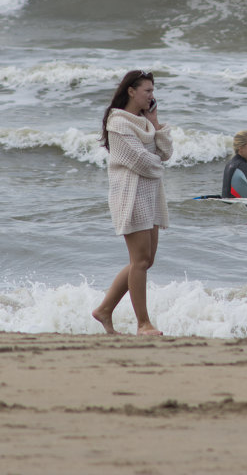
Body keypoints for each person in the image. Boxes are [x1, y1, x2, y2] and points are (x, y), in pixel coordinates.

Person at [91, 70, 171, 336]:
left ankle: (104, 310)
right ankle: (143, 324)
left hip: (151, 196)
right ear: (131, 91)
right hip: (131, 196)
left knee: (146, 260)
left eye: (152, 91)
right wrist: (156, 161)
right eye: (147, 91)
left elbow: (165, 153)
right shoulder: (118, 123)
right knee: (139, 261)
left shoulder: (145, 123)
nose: (152, 96)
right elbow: (141, 162)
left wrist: (156, 123)